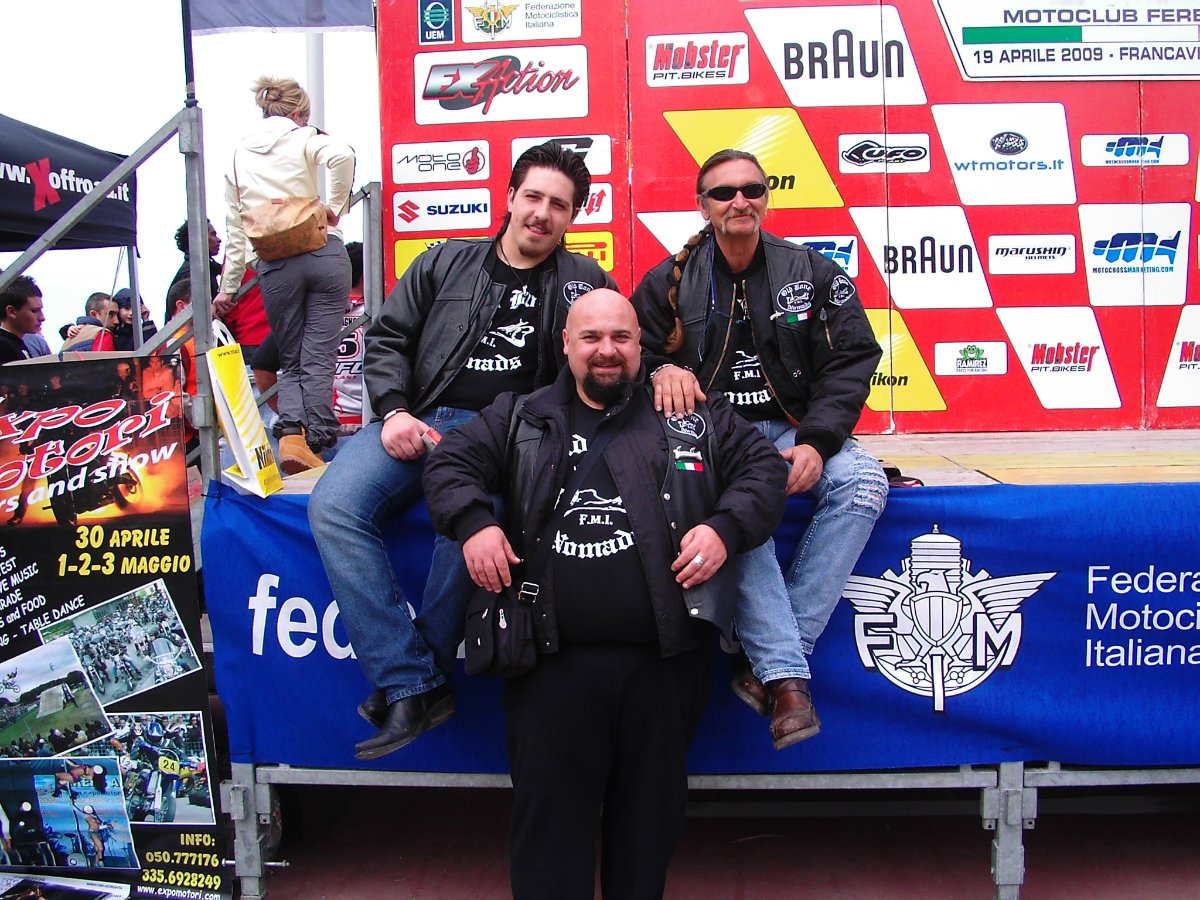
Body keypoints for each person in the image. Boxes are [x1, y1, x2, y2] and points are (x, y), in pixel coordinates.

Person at [423, 289, 787, 899]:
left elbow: (764, 469)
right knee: (548, 840)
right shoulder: (522, 414)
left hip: (665, 667)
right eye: (591, 337)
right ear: (566, 344)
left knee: (646, 838)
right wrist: (474, 523)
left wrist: (725, 528)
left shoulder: (688, 412)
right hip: (548, 670)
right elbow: (448, 465)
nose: (607, 351)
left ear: (640, 345)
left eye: (620, 337)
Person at [308, 142, 614, 760]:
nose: (542, 213)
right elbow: (388, 339)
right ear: (510, 197)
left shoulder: (586, 282)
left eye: (559, 205)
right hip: (421, 419)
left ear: (573, 215)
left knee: (475, 524)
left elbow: (609, 358)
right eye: (533, 196)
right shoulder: (445, 260)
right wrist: (394, 410)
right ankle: (416, 679)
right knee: (333, 506)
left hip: (507, 437)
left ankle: (409, 686)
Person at [631, 148, 888, 747]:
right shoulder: (666, 282)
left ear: (767, 198)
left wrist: (818, 441)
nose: (740, 200)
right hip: (714, 435)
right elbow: (627, 351)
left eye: (752, 189)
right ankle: (787, 679)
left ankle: (772, 660)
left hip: (796, 428)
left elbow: (852, 358)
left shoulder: (811, 272)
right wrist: (660, 369)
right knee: (739, 504)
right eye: (724, 192)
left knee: (864, 482)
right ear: (703, 205)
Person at [213, 75, 356, 472]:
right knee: (319, 354)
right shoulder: (303, 135)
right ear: (300, 113)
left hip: (275, 262)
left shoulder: (238, 155)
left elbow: (236, 229)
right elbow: (343, 156)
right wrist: (336, 207)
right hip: (323, 251)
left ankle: (293, 436)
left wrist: (227, 288)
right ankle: (320, 439)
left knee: (290, 358)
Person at [168, 218, 222, 310]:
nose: (219, 240)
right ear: (198, 238)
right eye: (213, 234)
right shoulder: (190, 273)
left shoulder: (208, 267)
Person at [0, 276, 44, 365]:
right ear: (11, 312)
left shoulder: (16, 343)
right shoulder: (3, 347)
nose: (42, 317)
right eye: (34, 311)